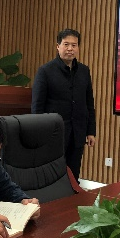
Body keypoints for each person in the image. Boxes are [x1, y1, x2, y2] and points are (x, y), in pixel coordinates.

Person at [31, 28, 96, 182]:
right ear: (58, 46)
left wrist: (91, 131)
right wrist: (39, 133)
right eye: (66, 44)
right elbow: (37, 106)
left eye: (74, 45)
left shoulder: (84, 71)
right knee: (53, 175)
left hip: (78, 132)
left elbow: (89, 103)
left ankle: (72, 196)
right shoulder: (45, 71)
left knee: (73, 175)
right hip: (53, 134)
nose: (70, 49)